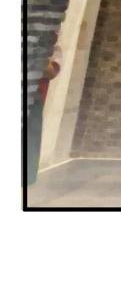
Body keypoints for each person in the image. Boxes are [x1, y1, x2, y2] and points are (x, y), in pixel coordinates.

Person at [26, 47, 61, 186]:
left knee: (30, 136)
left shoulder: (52, 47)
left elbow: (52, 72)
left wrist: (37, 57)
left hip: (34, 97)